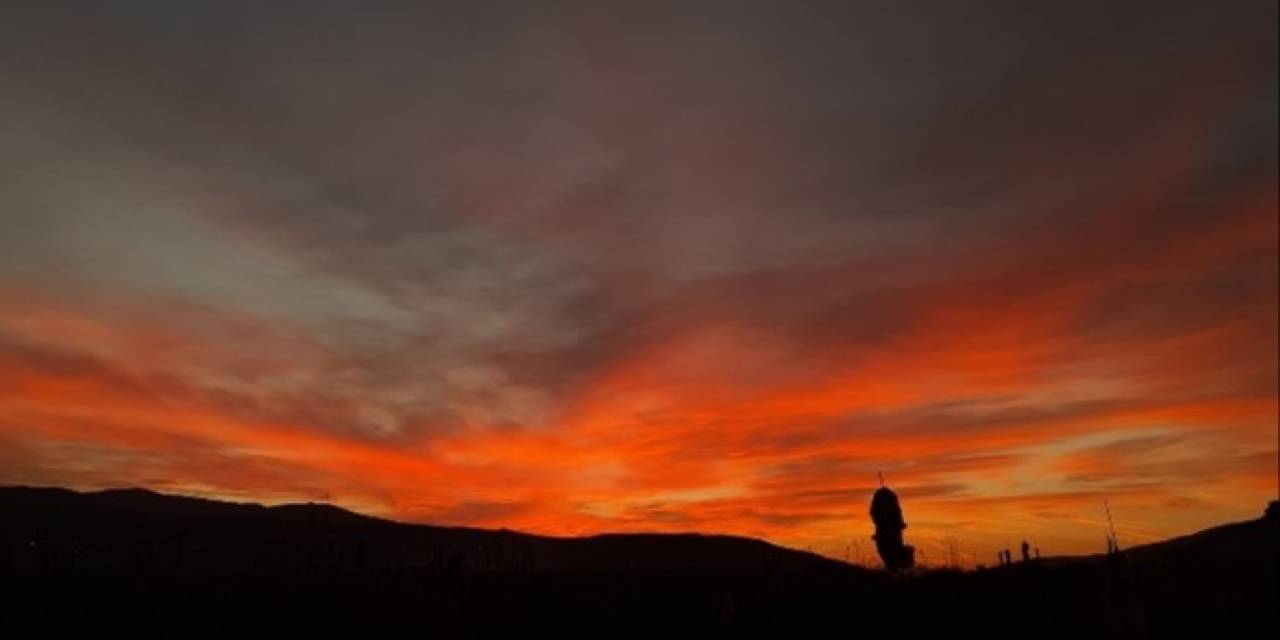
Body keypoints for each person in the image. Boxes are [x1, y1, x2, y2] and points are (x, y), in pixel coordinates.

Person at [869, 483, 914, 571]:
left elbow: (874, 514)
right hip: (888, 532)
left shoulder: (882, 500)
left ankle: (896, 571)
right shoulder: (889, 499)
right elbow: (875, 514)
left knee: (890, 554)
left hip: (888, 533)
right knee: (889, 554)